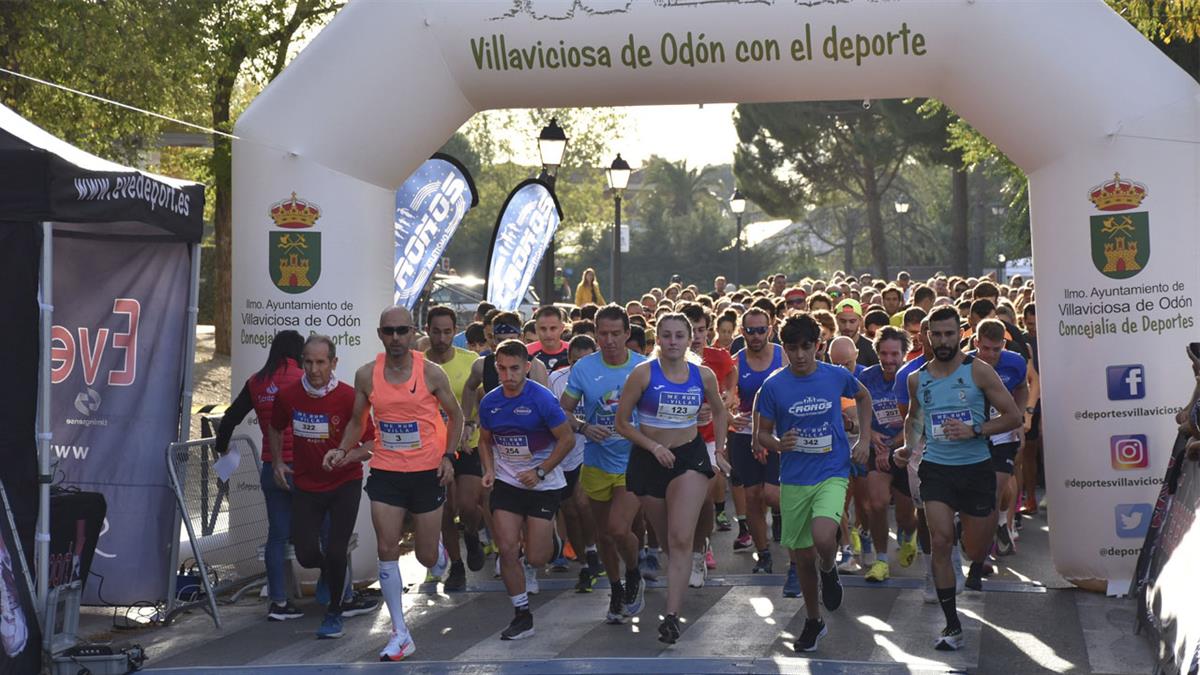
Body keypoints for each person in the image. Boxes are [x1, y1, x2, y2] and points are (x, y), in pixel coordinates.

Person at [332, 306, 465, 662]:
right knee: (387, 548)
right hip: (387, 472)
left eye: (401, 331)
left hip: (425, 472)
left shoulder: (431, 373)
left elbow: (456, 415)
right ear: (380, 334)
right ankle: (400, 633)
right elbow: (358, 422)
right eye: (388, 331)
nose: (395, 338)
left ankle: (437, 551)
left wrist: (448, 456)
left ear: (412, 333)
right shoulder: (366, 375)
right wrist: (343, 449)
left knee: (425, 558)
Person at [895, 306, 1021, 652]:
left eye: (949, 334)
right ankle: (952, 625)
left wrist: (975, 429)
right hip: (936, 468)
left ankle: (972, 534)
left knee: (974, 549)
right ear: (927, 336)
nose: (943, 340)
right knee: (940, 540)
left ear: (960, 333)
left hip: (977, 468)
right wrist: (908, 446)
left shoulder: (978, 372)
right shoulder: (917, 378)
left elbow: (1012, 416)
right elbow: (914, 418)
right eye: (936, 334)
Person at [756, 313, 871, 653]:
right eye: (793, 348)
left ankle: (830, 567)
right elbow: (762, 433)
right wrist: (778, 444)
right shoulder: (774, 385)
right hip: (794, 478)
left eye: (807, 347)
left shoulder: (836, 376)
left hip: (833, 470)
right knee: (801, 559)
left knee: (823, 535)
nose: (801, 355)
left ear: (818, 346)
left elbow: (863, 398)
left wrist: (863, 441)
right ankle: (813, 620)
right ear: (785, 349)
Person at [616, 313, 727, 643]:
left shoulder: (703, 375)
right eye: (667, 336)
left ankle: (672, 616)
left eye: (680, 335)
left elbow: (720, 410)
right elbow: (622, 423)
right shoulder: (642, 374)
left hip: (688, 457)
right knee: (666, 541)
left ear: (689, 338)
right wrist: (652, 446)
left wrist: (718, 450)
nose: (674, 341)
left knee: (680, 539)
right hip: (649, 460)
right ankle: (682, 566)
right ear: (658, 339)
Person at [269, 335, 379, 639]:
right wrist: (278, 461)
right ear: (301, 361)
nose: (314, 369)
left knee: (336, 548)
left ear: (334, 363)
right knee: (305, 554)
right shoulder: (289, 395)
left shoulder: (348, 397)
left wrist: (347, 456)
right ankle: (329, 574)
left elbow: (371, 443)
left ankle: (334, 613)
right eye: (308, 361)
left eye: (321, 362)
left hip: (345, 483)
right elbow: (275, 426)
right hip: (305, 485)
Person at [478, 339, 576, 640]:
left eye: (515, 368)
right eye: (503, 369)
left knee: (536, 557)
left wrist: (541, 470)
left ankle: (553, 543)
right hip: (508, 482)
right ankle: (522, 615)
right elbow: (484, 439)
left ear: (528, 368)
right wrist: (490, 470)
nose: (508, 375)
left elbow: (567, 439)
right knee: (507, 549)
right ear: (496, 368)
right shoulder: (490, 401)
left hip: (544, 484)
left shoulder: (542, 399)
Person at [560, 304, 647, 624]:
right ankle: (615, 590)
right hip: (596, 462)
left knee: (618, 527)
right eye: (603, 334)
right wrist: (583, 426)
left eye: (615, 334)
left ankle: (634, 573)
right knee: (604, 535)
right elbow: (563, 412)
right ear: (595, 334)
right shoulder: (583, 368)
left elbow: (656, 412)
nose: (609, 340)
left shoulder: (644, 367)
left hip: (633, 461)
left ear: (627, 334)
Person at [215, 329, 305, 621]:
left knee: (276, 536)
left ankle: (278, 602)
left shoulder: (257, 381)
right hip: (305, 467)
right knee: (325, 528)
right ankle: (335, 595)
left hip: (271, 466)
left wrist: (221, 448)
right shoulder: (304, 378)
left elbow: (230, 417)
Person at [423, 306, 487, 590]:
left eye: (447, 331)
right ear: (427, 330)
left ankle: (472, 535)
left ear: (455, 331)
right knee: (446, 510)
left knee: (468, 505)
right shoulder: (419, 364)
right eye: (436, 331)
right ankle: (457, 567)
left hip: (467, 445)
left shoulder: (471, 360)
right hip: (432, 449)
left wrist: (473, 424)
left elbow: (485, 400)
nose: (442, 337)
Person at [856, 327, 918, 583]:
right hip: (877, 448)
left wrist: (894, 444)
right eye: (884, 353)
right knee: (877, 503)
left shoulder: (913, 376)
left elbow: (917, 419)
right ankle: (881, 560)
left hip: (905, 448)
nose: (889, 360)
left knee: (906, 515)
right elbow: (855, 411)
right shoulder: (867, 377)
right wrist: (870, 435)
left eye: (895, 354)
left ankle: (908, 534)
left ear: (905, 353)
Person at [968, 319, 1028, 568]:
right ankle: (991, 531)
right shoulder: (963, 364)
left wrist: (1020, 419)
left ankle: (991, 538)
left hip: (1003, 433)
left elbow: (1022, 388)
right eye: (985, 348)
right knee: (980, 491)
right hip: (975, 434)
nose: (991, 354)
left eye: (996, 349)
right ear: (975, 343)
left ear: (1004, 344)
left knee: (994, 490)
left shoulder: (1015, 362)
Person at [730, 308, 785, 571]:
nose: (756, 336)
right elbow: (725, 399)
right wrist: (731, 417)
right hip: (744, 435)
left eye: (761, 330)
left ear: (770, 330)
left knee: (773, 494)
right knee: (752, 496)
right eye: (750, 331)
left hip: (777, 434)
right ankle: (764, 554)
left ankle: (785, 519)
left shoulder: (783, 356)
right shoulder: (736, 362)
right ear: (742, 332)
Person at [548, 335, 604, 591]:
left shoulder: (602, 377)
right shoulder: (556, 380)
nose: (581, 366)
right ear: (568, 360)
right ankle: (584, 563)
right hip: (564, 452)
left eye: (586, 360)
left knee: (582, 502)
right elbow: (554, 415)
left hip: (592, 451)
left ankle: (593, 552)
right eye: (575, 362)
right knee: (569, 510)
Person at [528, 305, 570, 372]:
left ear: (562, 328)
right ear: (536, 329)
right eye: (543, 329)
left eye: (553, 328)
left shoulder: (571, 351)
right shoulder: (526, 353)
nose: (548, 334)